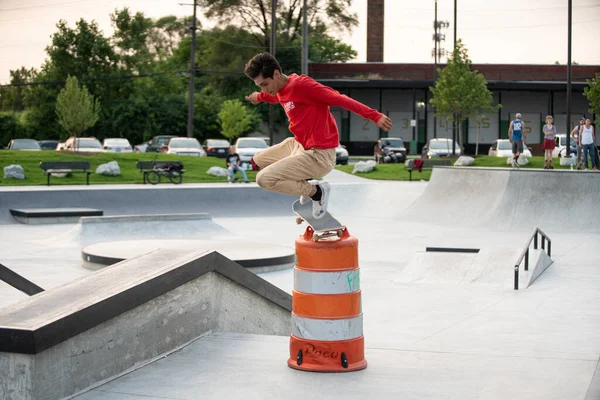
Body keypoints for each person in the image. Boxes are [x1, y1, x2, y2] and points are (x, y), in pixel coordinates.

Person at [243, 52, 392, 218]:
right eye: (260, 87)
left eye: (264, 84)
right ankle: (304, 181)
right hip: (299, 145)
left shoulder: (303, 86)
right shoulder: (280, 89)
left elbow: (340, 99)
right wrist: (259, 97)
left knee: (264, 179)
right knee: (257, 159)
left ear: (276, 74)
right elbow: (277, 97)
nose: (264, 89)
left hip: (319, 155)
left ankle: (315, 192)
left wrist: (374, 115)